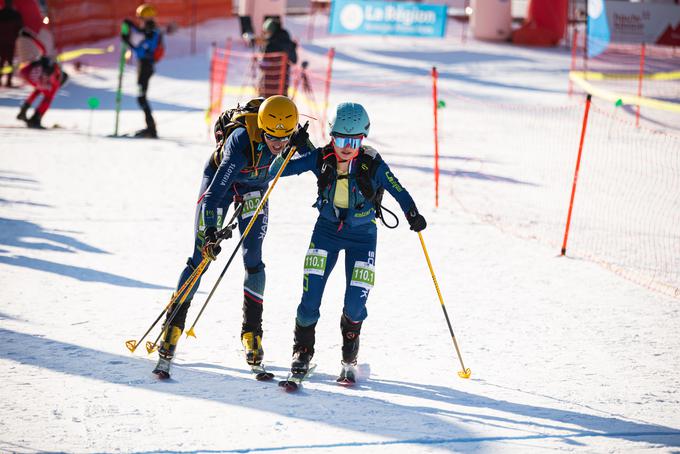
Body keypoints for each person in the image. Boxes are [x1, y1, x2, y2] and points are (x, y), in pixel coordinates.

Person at [153, 95, 314, 379]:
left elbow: (312, 165)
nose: (278, 145)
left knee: (254, 259)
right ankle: (172, 329)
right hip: (221, 186)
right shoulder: (241, 140)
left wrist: (306, 148)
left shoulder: (289, 140)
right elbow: (213, 195)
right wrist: (213, 231)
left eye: (285, 138)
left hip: (255, 189)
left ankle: (252, 334)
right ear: (261, 129)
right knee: (201, 257)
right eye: (271, 138)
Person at [278, 102, 427, 383]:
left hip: (363, 236)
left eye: (353, 140)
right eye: (340, 139)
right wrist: (286, 148)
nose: (346, 147)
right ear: (331, 135)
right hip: (326, 232)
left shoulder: (372, 163)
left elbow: (399, 190)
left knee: (355, 304)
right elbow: (279, 171)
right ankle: (302, 352)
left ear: (363, 138)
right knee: (310, 298)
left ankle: (349, 356)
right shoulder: (321, 157)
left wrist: (412, 214)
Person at [122, 3, 163, 138]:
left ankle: (151, 129)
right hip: (143, 66)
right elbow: (140, 32)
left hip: (145, 67)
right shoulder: (148, 30)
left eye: (140, 18)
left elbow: (142, 50)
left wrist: (128, 42)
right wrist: (130, 25)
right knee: (141, 97)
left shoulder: (152, 32)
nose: (139, 21)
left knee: (141, 98)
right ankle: (150, 127)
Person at [16, 30, 67, 129]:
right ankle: (36, 118)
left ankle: (24, 111)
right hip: (32, 74)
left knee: (40, 90)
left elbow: (43, 47)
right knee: (48, 96)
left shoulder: (51, 63)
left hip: (26, 71)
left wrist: (30, 36)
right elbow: (47, 100)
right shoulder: (55, 81)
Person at [258, 17, 297, 98]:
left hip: (269, 83)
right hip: (283, 83)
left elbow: (264, 65)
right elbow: (294, 60)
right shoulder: (287, 42)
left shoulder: (269, 44)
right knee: (281, 103)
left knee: (266, 105)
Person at [0, 0, 23, 88]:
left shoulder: (1, 14)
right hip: (10, 41)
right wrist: (16, 36)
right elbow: (20, 27)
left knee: (2, 61)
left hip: (2, 41)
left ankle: (2, 80)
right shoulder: (16, 14)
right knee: (9, 62)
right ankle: (8, 81)